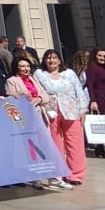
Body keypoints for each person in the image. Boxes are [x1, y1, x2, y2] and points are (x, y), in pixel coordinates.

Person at [5, 58, 71, 191]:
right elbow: (10, 98)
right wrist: (23, 97)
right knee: (32, 149)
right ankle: (35, 177)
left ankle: (54, 178)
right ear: (17, 68)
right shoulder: (12, 81)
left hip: (40, 116)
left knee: (46, 147)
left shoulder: (33, 79)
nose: (26, 69)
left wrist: (39, 98)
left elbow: (46, 96)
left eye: (28, 66)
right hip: (25, 119)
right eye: (22, 66)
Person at [34, 49, 88, 186]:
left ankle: (76, 174)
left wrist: (83, 110)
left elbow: (79, 91)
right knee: (54, 143)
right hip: (50, 112)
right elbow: (37, 91)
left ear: (59, 60)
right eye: (48, 58)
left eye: (54, 58)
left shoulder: (69, 73)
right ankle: (58, 172)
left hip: (71, 111)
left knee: (75, 143)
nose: (51, 61)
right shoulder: (40, 74)